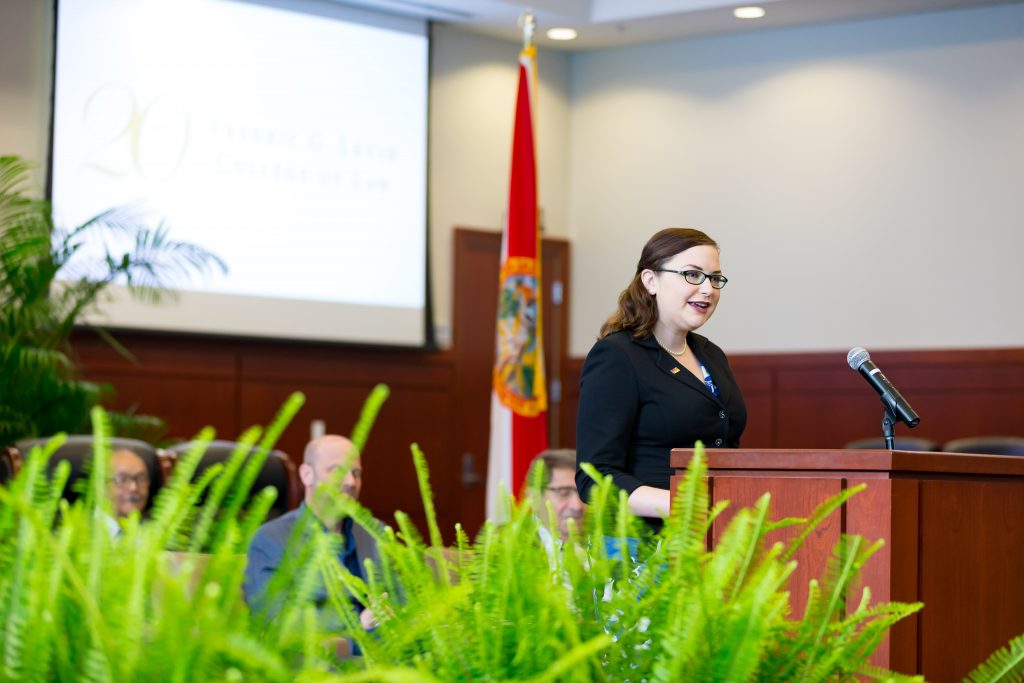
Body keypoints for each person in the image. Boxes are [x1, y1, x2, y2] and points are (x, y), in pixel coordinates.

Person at [575, 227, 747, 531]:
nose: (708, 289)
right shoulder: (617, 356)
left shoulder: (712, 354)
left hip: (716, 536)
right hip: (643, 544)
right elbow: (595, 478)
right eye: (693, 275)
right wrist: (681, 506)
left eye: (715, 278)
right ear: (650, 280)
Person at [244, 434, 382, 638]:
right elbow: (275, 619)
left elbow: (410, 602)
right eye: (338, 471)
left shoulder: (375, 533)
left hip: (394, 658)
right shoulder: (270, 540)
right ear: (307, 474)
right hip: (318, 662)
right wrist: (358, 623)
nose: (351, 482)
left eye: (356, 472)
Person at [527, 448, 585, 545]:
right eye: (564, 493)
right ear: (535, 497)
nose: (577, 506)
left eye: (584, 494)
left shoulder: (608, 546)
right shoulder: (502, 544)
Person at [108, 448, 151, 518]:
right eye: (123, 479)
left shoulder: (159, 527)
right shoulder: (85, 526)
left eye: (141, 479)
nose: (133, 488)